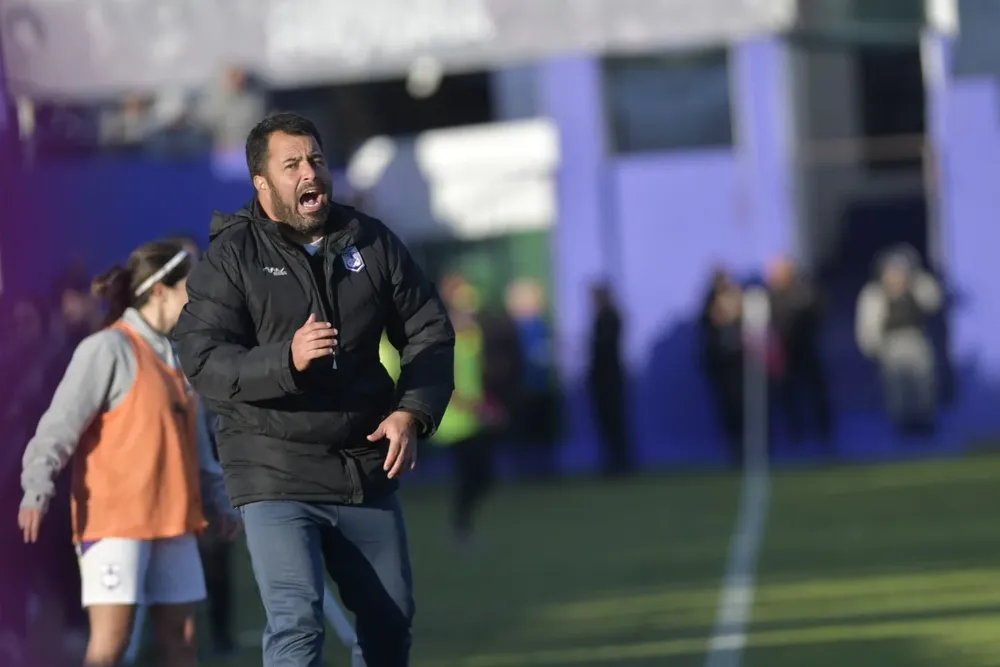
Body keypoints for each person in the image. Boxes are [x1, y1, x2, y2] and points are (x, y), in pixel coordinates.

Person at [173, 112, 455, 667]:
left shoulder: (371, 240)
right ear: (261, 182)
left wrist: (412, 412)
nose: (311, 173)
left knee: (390, 623)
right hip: (273, 471)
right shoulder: (231, 258)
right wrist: (286, 359)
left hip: (363, 468)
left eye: (317, 159)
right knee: (298, 624)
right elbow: (201, 359)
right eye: (293, 164)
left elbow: (429, 331)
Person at [17, 240, 240, 667]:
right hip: (117, 522)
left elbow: (196, 448)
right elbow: (59, 425)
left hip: (174, 522)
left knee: (182, 640)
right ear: (160, 291)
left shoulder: (177, 358)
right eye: (191, 285)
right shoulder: (107, 348)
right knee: (111, 644)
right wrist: (36, 486)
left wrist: (219, 500)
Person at [856, 247, 943, 434]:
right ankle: (902, 424)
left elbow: (934, 300)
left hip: (915, 339)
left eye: (899, 271)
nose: (895, 277)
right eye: (891, 272)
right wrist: (872, 346)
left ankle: (924, 420)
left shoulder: (917, 288)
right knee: (896, 386)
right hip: (891, 344)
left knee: (923, 381)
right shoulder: (875, 295)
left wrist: (917, 279)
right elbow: (868, 323)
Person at [765, 257, 832, 446]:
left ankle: (825, 431)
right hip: (784, 354)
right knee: (789, 396)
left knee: (816, 392)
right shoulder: (770, 296)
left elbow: (819, 309)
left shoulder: (803, 289)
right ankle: (796, 433)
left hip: (807, 351)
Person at [587, 282, 632, 475]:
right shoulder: (603, 317)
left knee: (614, 421)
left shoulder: (610, 318)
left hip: (609, 378)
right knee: (607, 422)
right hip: (603, 378)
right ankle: (614, 461)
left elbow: (604, 348)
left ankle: (620, 462)